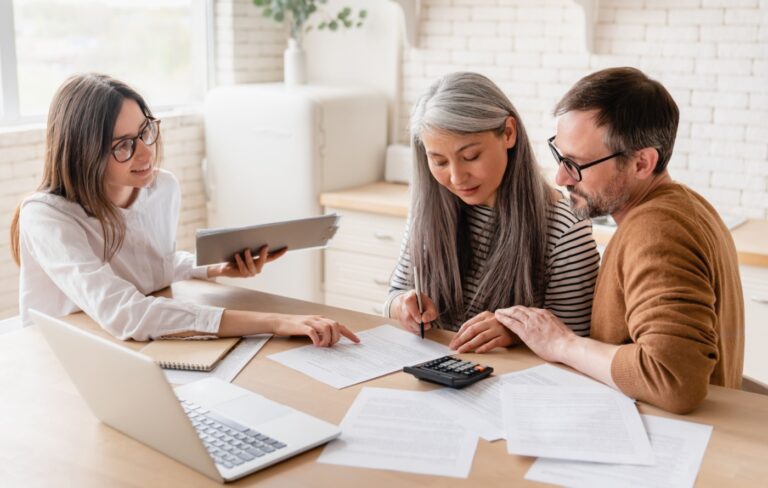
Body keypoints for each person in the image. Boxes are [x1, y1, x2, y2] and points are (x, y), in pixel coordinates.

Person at [10, 73, 359, 346]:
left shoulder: (161, 188)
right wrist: (273, 322)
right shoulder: (47, 216)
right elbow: (125, 312)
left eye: (145, 131)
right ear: (82, 152)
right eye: (124, 146)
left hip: (125, 347)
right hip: (58, 354)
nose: (146, 153)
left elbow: (149, 270)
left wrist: (212, 268)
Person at [495, 67, 744, 414]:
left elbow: (674, 380)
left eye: (577, 163)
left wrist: (562, 343)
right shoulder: (688, 206)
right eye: (559, 155)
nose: (561, 176)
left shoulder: (656, 231)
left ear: (642, 162)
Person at [384, 72, 600, 353]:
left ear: (508, 133)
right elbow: (393, 297)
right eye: (438, 161)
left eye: (470, 157)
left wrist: (516, 332)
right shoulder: (429, 210)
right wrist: (403, 306)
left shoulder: (565, 229)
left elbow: (576, 344)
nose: (457, 178)